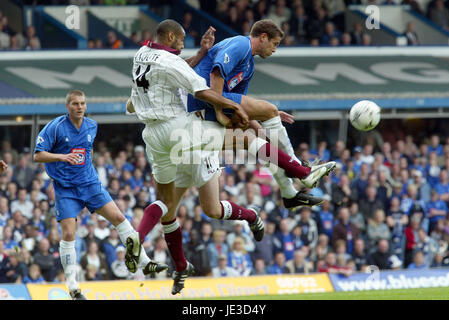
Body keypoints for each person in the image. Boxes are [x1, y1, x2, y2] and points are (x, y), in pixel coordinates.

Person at [129, 19, 333, 294]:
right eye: (179, 40)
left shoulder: (143, 57)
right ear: (169, 36)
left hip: (155, 137)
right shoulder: (186, 61)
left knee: (178, 208)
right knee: (247, 140)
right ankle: (301, 173)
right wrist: (233, 110)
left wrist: (202, 54)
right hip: (185, 129)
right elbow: (205, 89)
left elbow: (132, 102)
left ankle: (143, 242)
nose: (181, 46)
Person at [187, 18, 336, 208]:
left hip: (215, 101)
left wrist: (260, 118)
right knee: (270, 109)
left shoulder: (249, 66)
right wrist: (219, 110)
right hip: (203, 98)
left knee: (264, 138)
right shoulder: (241, 44)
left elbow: (237, 103)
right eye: (275, 44)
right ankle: (301, 168)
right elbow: (216, 73)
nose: (275, 49)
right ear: (263, 37)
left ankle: (289, 192)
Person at [33, 90, 167, 300]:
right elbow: (38, 155)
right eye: (75, 103)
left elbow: (88, 149)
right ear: (67, 106)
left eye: (83, 103)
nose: (79, 107)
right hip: (65, 188)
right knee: (69, 234)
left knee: (120, 218)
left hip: (90, 184)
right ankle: (73, 287)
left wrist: (87, 167)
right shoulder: (56, 126)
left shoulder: (92, 126)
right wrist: (62, 157)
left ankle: (144, 262)